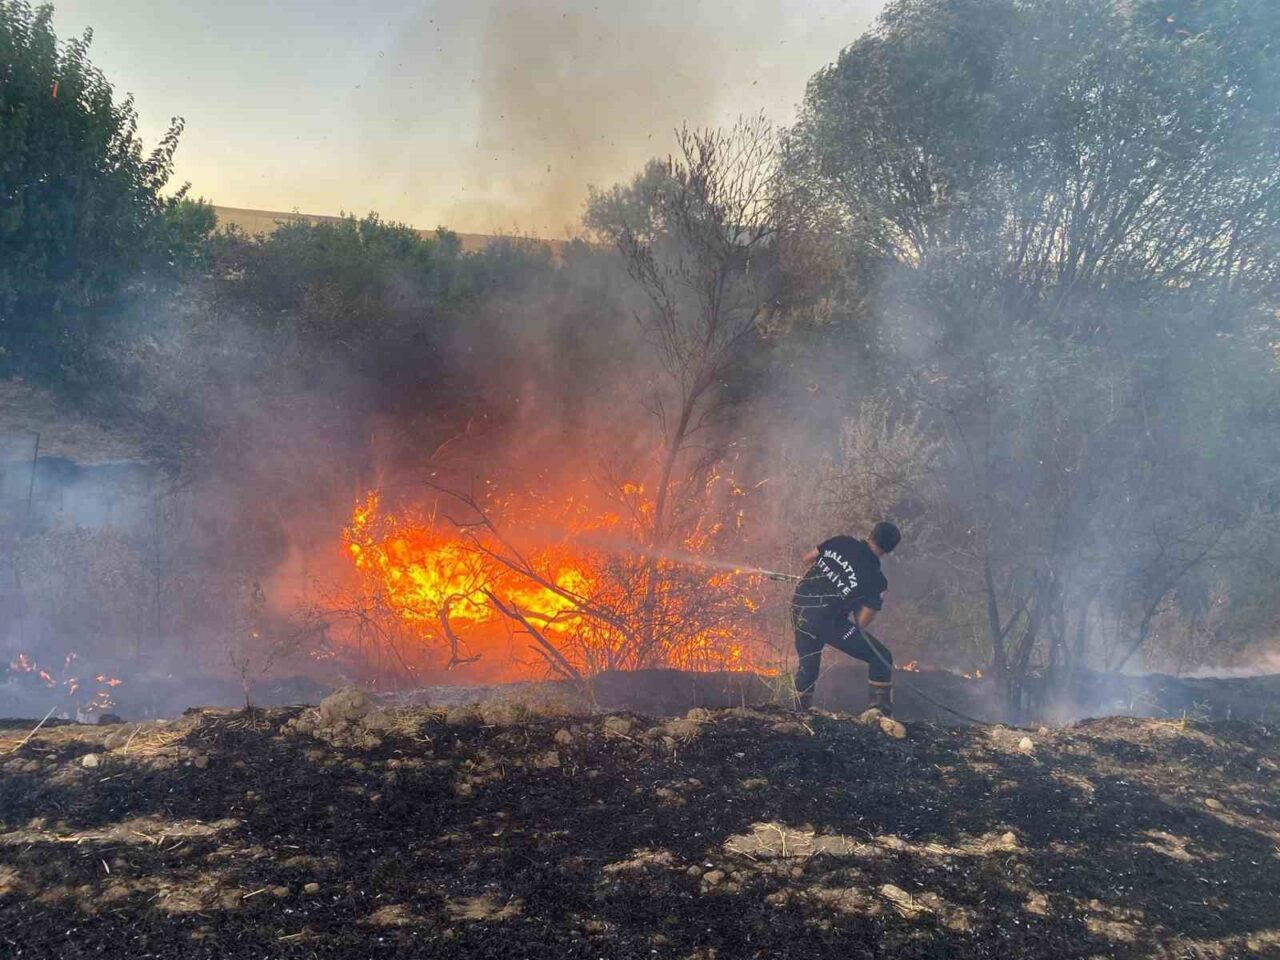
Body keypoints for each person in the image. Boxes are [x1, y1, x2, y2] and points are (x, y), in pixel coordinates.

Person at [791, 521, 901, 714]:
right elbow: (862, 622)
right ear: (888, 551)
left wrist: (831, 574)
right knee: (881, 657)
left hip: (799, 606)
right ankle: (879, 715)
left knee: (808, 663)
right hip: (825, 621)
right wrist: (866, 602)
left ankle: (799, 713)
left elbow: (807, 558)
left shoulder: (841, 541)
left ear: (870, 534)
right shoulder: (877, 580)